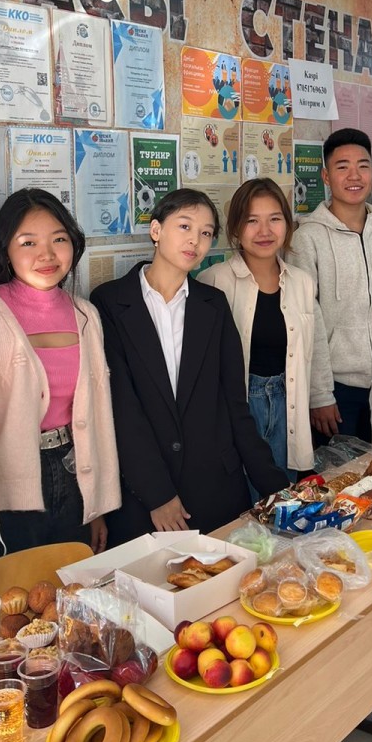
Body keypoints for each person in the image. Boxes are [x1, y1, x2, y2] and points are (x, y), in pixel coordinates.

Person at [90, 189, 289, 543]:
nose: (195, 240)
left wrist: (279, 490)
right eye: (184, 226)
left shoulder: (213, 304)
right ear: (156, 230)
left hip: (215, 491)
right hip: (144, 499)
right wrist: (157, 494)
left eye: (206, 232)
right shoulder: (110, 301)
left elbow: (235, 406)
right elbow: (122, 408)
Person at [0, 189, 120, 556]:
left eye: (59, 239)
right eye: (28, 242)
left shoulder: (86, 315)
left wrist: (96, 506)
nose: (47, 254)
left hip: (75, 472)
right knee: (17, 584)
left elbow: (99, 418)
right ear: (5, 249)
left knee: (73, 579)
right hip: (7, 485)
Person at [288, 129, 372, 443]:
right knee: (341, 472)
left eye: (363, 166)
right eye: (343, 167)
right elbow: (307, 320)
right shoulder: (306, 239)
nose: (354, 176)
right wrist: (319, 394)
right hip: (337, 392)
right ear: (326, 176)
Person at [198, 178, 334, 480]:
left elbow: (316, 345)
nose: (265, 231)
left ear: (287, 225)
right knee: (241, 491)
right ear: (235, 228)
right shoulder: (213, 282)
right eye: (252, 221)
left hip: (290, 401)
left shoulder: (301, 282)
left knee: (283, 491)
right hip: (239, 407)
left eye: (274, 219)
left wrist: (322, 396)